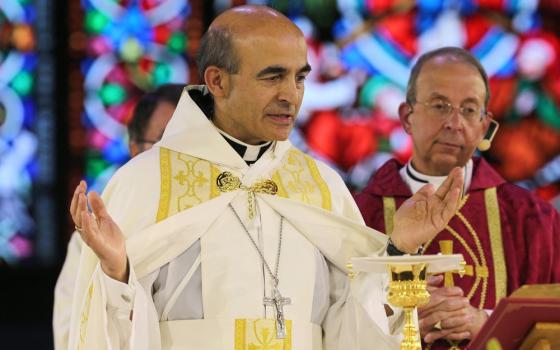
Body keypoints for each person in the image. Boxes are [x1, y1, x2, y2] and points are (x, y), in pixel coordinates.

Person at [66, 6, 464, 350]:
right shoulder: (145, 183)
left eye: (300, 78)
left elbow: (351, 333)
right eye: (272, 77)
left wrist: (396, 250)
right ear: (218, 81)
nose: (291, 95)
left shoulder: (320, 187)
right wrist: (117, 274)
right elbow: (102, 328)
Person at [355, 47, 560, 349]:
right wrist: (401, 317)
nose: (454, 122)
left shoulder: (531, 219)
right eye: (440, 106)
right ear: (407, 116)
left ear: (483, 126)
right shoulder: (359, 214)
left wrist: (487, 323)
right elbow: (334, 324)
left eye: (468, 109)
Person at [53, 83, 184, 350]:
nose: (180, 157)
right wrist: (116, 274)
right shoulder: (93, 239)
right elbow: (73, 336)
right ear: (135, 149)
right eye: (165, 142)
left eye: (190, 142)